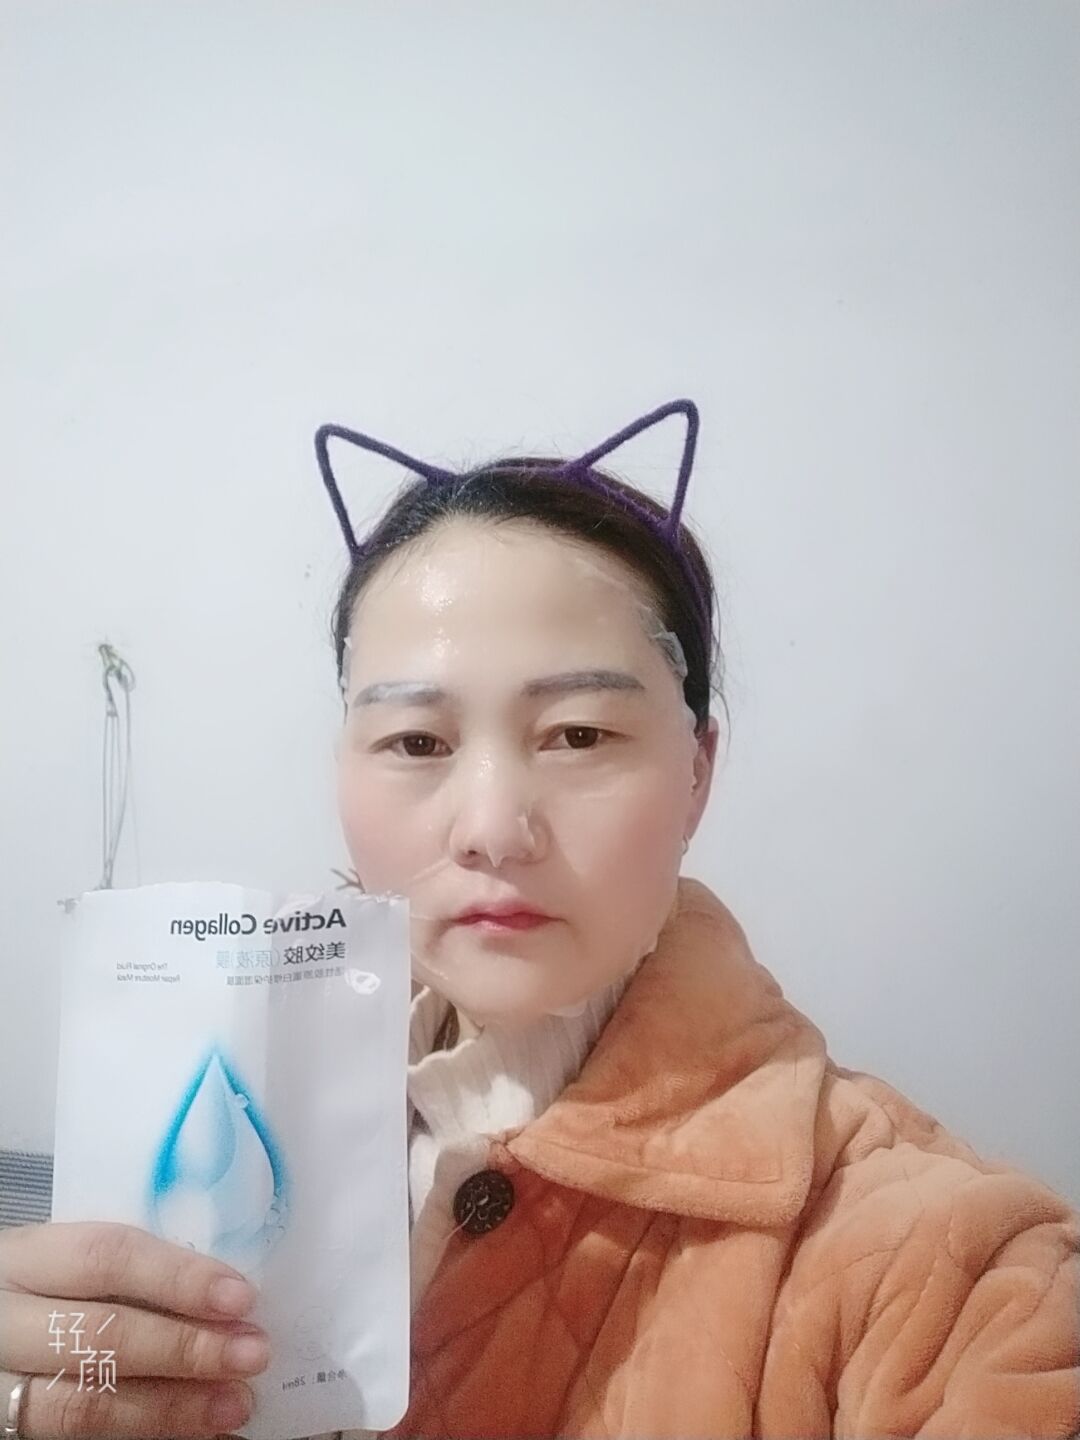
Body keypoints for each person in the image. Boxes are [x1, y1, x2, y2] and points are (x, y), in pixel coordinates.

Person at [1, 399, 1077, 1439]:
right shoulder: (236, 1103)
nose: (490, 831)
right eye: (417, 743)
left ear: (698, 771)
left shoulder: (947, 1271)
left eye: (577, 735)